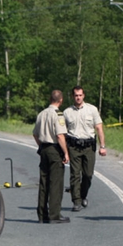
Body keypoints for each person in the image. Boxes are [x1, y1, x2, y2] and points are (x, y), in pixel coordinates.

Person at [63, 86, 107, 212]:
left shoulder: (92, 110)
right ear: (73, 96)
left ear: (84, 96)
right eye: (76, 95)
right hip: (74, 146)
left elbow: (99, 128)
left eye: (80, 95)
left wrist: (102, 146)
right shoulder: (67, 112)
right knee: (75, 175)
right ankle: (76, 201)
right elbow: (63, 132)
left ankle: (83, 195)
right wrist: (64, 150)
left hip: (89, 146)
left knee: (88, 174)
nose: (78, 97)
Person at [32, 90, 70, 224]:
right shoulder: (58, 115)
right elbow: (60, 136)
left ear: (50, 99)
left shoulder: (41, 114)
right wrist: (65, 152)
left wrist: (41, 146)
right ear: (61, 100)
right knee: (56, 183)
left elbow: (35, 134)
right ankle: (54, 214)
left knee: (44, 182)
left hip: (44, 149)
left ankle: (42, 214)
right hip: (54, 149)